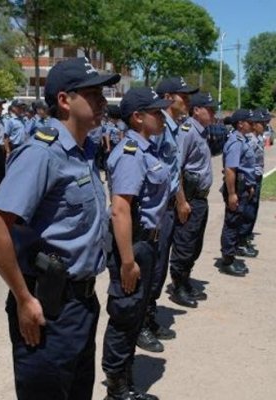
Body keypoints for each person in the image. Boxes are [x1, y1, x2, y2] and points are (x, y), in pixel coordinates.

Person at [0, 57, 120, 400]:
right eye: (93, 94)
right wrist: (23, 298)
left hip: (81, 303)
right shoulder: (42, 154)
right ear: (64, 100)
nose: (102, 101)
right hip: (49, 309)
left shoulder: (84, 151)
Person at [101, 87, 171, 400]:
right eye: (155, 112)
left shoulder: (147, 149)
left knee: (134, 315)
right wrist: (128, 261)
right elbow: (120, 209)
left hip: (147, 244)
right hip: (134, 246)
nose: (162, 116)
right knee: (125, 314)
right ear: (138, 117)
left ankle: (125, 382)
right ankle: (116, 389)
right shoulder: (131, 153)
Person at [137, 77, 198, 353]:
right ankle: (141, 324)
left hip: (168, 209)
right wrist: (177, 202)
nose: (188, 100)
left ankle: (148, 317)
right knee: (153, 269)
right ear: (170, 97)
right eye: (184, 96)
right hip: (159, 210)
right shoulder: (159, 129)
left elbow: (175, 171)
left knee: (158, 270)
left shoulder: (172, 129)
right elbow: (160, 175)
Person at [169, 92, 216, 308]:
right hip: (189, 197)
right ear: (197, 110)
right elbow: (176, 167)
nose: (214, 114)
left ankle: (185, 280)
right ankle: (178, 286)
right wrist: (181, 201)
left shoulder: (202, 132)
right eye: (210, 109)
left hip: (200, 198)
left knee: (195, 244)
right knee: (185, 244)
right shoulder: (187, 132)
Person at [219, 109, 257, 276]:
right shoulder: (235, 141)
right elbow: (230, 169)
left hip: (242, 185)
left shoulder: (242, 140)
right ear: (240, 124)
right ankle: (227, 259)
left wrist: (249, 185)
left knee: (237, 221)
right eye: (249, 121)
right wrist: (232, 193)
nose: (253, 124)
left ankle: (232, 255)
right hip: (236, 186)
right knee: (232, 223)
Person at [238, 109, 268, 254]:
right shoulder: (250, 140)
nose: (265, 125)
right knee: (248, 212)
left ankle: (245, 238)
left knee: (253, 210)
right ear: (255, 125)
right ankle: (241, 242)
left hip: (256, 177)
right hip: (251, 179)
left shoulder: (258, 138)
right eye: (262, 123)